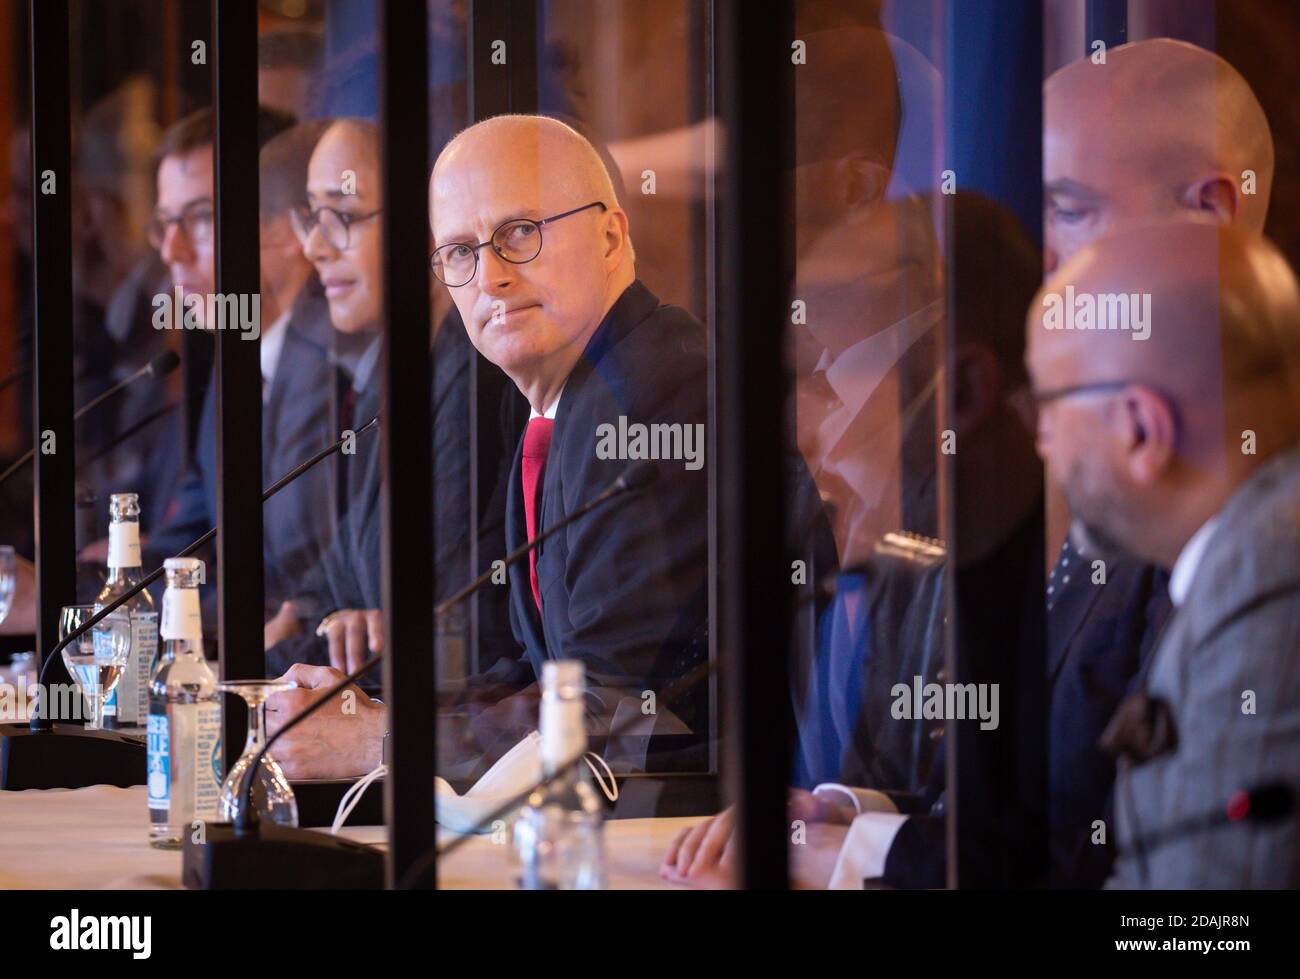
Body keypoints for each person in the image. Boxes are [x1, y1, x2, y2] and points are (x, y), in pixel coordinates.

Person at [267, 114, 710, 781]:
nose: (491, 278)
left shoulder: (651, 393)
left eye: (520, 234)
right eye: (460, 253)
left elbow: (612, 710)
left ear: (611, 236)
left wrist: (381, 742)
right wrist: (367, 709)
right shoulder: (564, 398)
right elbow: (536, 672)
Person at [1027, 221, 1300, 889]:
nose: (1040, 441)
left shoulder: (1268, 574)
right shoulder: (1243, 555)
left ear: (1142, 428)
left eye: (1048, 408)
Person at [140, 118, 340, 624]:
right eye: (165, 223)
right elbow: (186, 542)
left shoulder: (342, 367)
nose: (172, 250)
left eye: (201, 218)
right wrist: (70, 591)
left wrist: (185, 610)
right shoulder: (239, 365)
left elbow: (291, 587)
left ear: (290, 227)